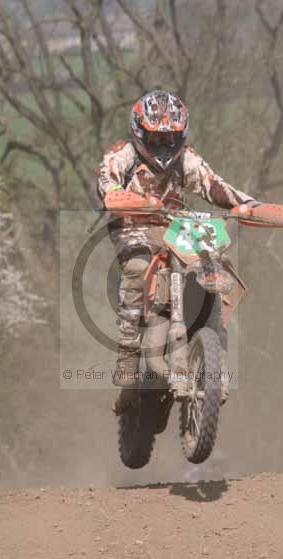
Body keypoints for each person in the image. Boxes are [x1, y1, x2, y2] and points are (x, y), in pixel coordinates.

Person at [97, 90, 261, 412]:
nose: (164, 145)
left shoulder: (187, 159)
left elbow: (213, 184)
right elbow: (108, 185)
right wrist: (120, 196)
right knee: (137, 267)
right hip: (134, 226)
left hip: (177, 226)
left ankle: (214, 350)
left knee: (216, 264)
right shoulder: (121, 155)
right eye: (157, 138)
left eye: (170, 138)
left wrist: (248, 204)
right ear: (140, 132)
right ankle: (128, 358)